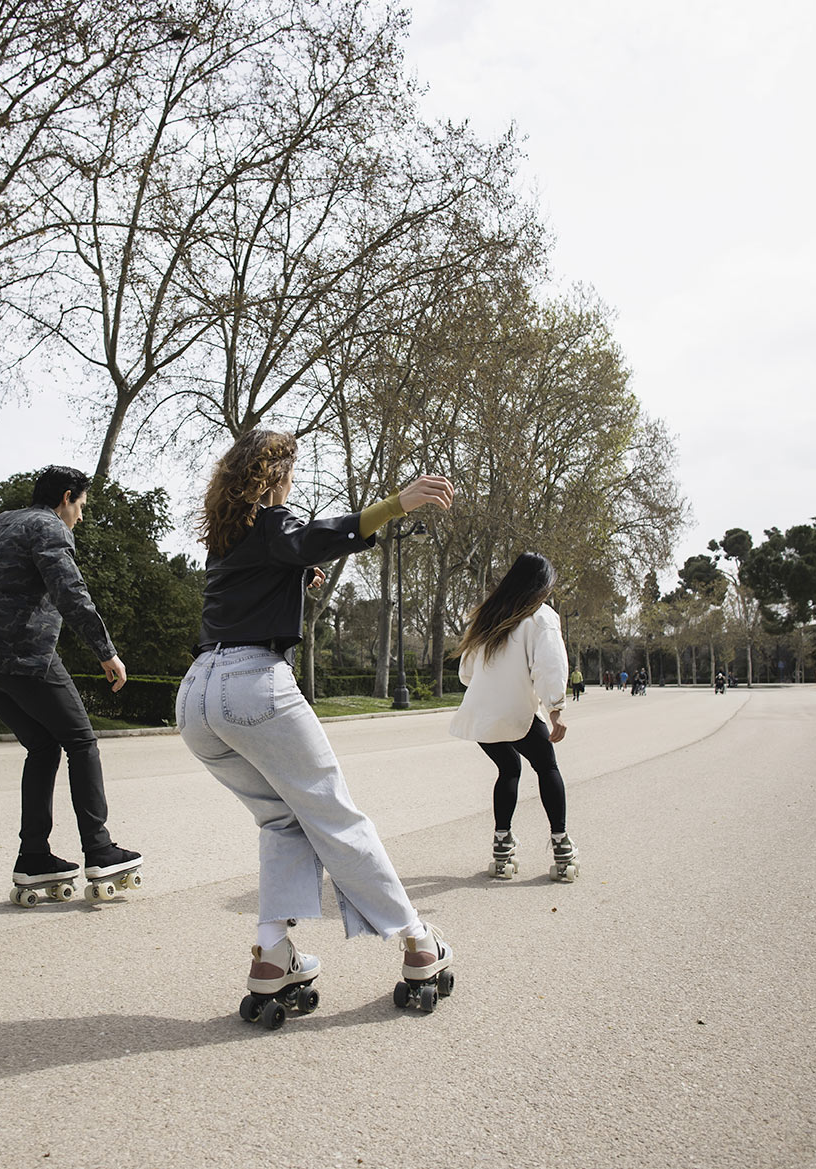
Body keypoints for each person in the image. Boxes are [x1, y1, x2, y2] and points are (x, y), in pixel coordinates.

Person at [174, 429, 455, 1015]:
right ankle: (418, 941)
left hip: (197, 694)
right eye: (291, 473)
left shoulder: (227, 539)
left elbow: (265, 574)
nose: (295, 483)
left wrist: (296, 580)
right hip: (252, 685)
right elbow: (316, 536)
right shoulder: (271, 522)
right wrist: (394, 504)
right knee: (337, 818)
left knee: (281, 821)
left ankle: (273, 953)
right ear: (273, 477)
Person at [0, 465, 141, 897]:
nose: (80, 516)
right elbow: (70, 591)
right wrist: (105, 651)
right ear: (66, 498)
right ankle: (99, 850)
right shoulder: (50, 528)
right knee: (82, 741)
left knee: (43, 746)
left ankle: (34, 857)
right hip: (21, 655)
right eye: (80, 506)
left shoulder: (2, 523)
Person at [448, 552, 578, 882]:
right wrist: (556, 708)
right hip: (516, 713)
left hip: (481, 714)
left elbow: (466, 672)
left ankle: (501, 846)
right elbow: (550, 665)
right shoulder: (541, 617)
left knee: (508, 768)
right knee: (546, 766)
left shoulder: (488, 615)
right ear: (542, 586)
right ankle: (562, 847)